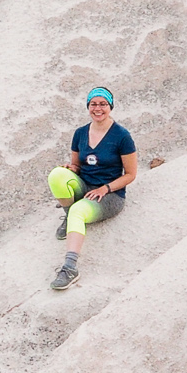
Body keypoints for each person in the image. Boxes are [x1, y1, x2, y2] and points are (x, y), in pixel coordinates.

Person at [47, 86, 136, 290]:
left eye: (103, 104)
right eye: (93, 104)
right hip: (86, 185)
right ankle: (69, 217)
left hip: (110, 194)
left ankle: (70, 267)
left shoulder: (122, 136)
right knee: (57, 175)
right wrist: (72, 168)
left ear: (110, 106)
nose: (98, 108)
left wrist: (105, 188)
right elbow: (77, 165)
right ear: (88, 107)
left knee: (80, 210)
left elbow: (130, 174)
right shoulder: (80, 133)